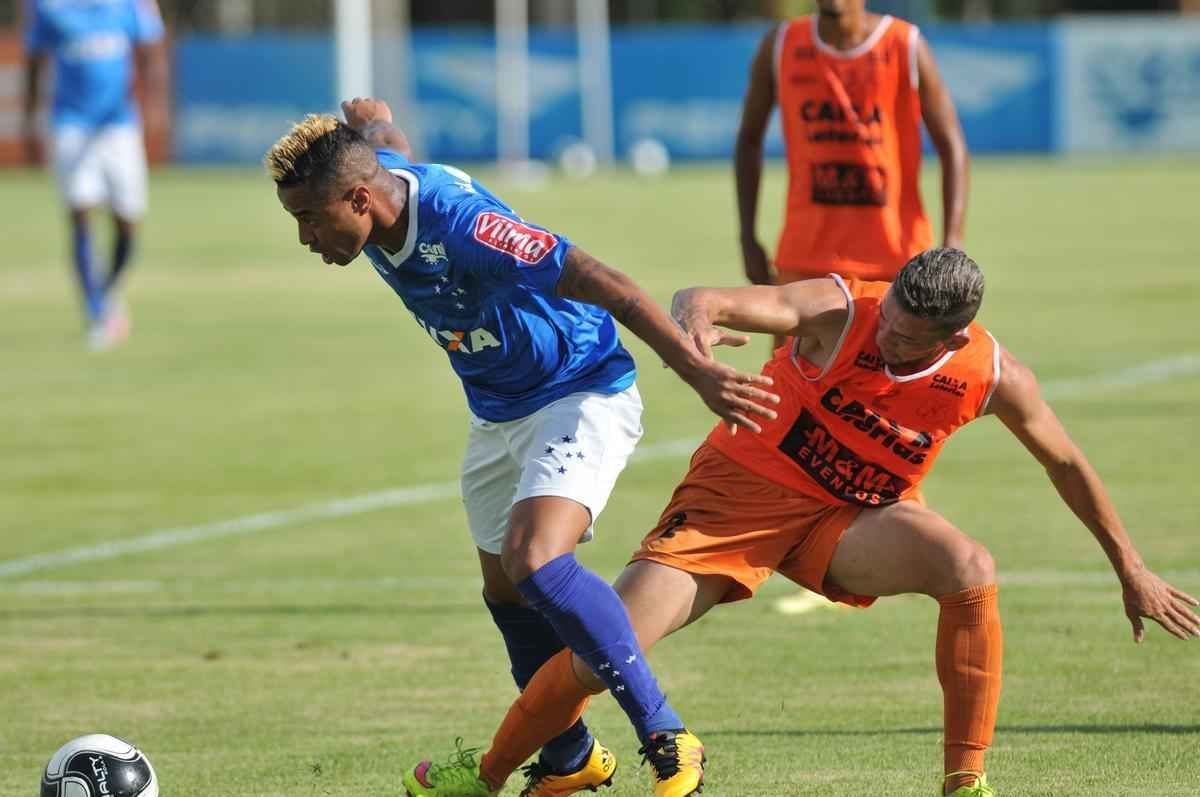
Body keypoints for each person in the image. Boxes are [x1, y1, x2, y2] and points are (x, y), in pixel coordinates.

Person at [409, 248, 1199, 797]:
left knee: (970, 566)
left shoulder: (990, 375)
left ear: (952, 340)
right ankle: (482, 776)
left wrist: (1128, 565)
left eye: (904, 336)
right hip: (733, 503)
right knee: (602, 650)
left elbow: (1065, 463)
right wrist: (697, 330)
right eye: (886, 313)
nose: (883, 333)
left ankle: (966, 778)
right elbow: (704, 298)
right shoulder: (838, 309)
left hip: (847, 521)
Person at [264, 99, 779, 797]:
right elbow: (384, 143)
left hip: (579, 388)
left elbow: (606, 282)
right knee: (505, 590)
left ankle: (666, 734)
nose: (306, 238)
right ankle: (570, 756)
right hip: (496, 410)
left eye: (309, 219)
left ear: (358, 199)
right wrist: (376, 118)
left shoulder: (466, 227)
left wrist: (698, 374)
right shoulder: (376, 176)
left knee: (536, 558)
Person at [735, 0, 969, 350]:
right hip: (805, 259)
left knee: (892, 394)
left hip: (894, 260)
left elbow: (952, 146)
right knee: (787, 394)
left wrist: (953, 240)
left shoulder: (905, 44)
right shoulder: (781, 45)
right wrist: (747, 236)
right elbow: (749, 139)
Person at [23, 0, 167, 350]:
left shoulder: (130, 4)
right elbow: (35, 62)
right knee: (80, 211)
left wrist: (154, 106)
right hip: (70, 123)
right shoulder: (47, 6)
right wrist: (31, 121)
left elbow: (151, 51)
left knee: (128, 223)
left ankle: (108, 292)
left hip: (118, 124)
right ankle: (97, 311)